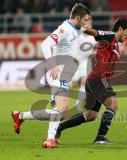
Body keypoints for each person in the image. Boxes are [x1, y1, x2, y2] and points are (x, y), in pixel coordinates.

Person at [12, 3, 92, 148]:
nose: (86, 22)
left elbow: (78, 38)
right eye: (84, 19)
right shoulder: (64, 29)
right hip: (57, 73)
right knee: (63, 106)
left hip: (65, 75)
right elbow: (45, 44)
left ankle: (20, 116)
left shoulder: (75, 29)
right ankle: (50, 139)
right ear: (78, 18)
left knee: (59, 111)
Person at [55, 19, 127, 144]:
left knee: (91, 115)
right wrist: (80, 28)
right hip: (98, 79)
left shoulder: (116, 45)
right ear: (120, 29)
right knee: (113, 105)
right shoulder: (110, 36)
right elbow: (95, 33)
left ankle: (59, 128)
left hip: (96, 80)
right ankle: (100, 137)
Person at [71, 20, 97, 112]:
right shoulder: (78, 36)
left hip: (85, 63)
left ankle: (79, 105)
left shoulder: (93, 38)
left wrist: (94, 53)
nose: (88, 26)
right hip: (76, 62)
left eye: (90, 25)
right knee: (73, 85)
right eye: (86, 25)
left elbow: (95, 50)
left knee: (84, 81)